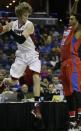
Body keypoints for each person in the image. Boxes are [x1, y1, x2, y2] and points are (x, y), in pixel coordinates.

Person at [0, 2, 42, 118]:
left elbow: (21, 40)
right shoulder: (13, 24)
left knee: (36, 77)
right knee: (12, 82)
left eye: (28, 15)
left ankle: (36, 107)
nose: (26, 18)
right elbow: (0, 30)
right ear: (19, 15)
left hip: (32, 53)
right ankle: (4, 82)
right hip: (21, 55)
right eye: (24, 15)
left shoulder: (29, 25)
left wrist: (10, 30)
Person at [60, 0, 81, 130]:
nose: (70, 19)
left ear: (77, 20)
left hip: (72, 61)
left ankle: (79, 119)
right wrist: (76, 2)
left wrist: (77, 5)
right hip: (64, 63)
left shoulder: (78, 29)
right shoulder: (68, 28)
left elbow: (75, 15)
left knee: (75, 91)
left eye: (72, 18)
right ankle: (72, 120)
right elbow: (72, 13)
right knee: (68, 93)